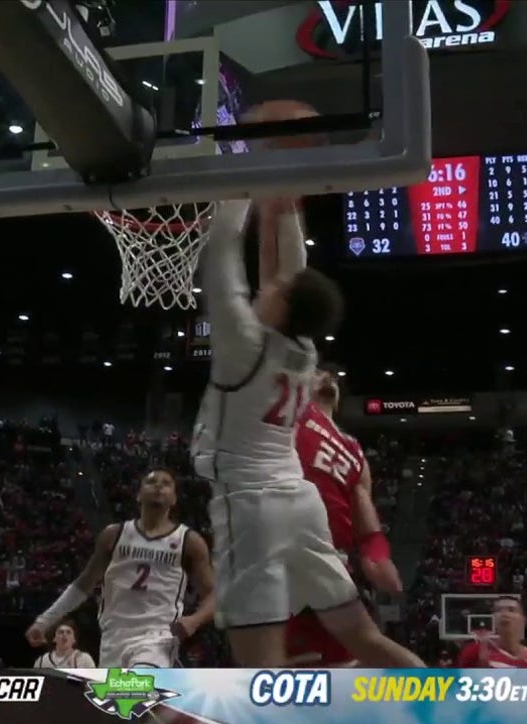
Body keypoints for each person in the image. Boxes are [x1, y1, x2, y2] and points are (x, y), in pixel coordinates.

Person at [189, 190, 422, 669]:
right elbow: (292, 275)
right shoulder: (304, 352)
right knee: (366, 639)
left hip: (251, 507)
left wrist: (235, 195)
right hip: (301, 506)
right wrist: (286, 204)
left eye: (272, 291)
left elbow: (220, 262)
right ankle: (443, 708)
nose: (265, 288)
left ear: (283, 305)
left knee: (260, 667)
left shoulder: (244, 346)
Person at [26, 469, 215, 668]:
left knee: (138, 688)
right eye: (151, 482)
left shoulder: (189, 541)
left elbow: (213, 594)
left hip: (158, 637)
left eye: (166, 483)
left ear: (174, 498)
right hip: (113, 636)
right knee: (117, 697)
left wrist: (195, 620)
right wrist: (44, 621)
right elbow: (83, 584)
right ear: (138, 494)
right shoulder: (113, 535)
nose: (159, 486)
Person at [286, 365, 402, 667]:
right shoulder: (289, 417)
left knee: (350, 663)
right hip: (283, 557)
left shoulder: (354, 451)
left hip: (329, 563)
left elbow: (368, 527)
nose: (329, 378)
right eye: (318, 372)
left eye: (334, 377)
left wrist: (378, 557)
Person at [457, 596, 527, 668]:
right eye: (498, 610)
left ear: (523, 620)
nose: (504, 614)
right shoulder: (475, 651)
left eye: (511, 610)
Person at [32, 619, 96, 669]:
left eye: (68, 632)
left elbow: (94, 683)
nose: (64, 634)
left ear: (74, 639)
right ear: (54, 638)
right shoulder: (42, 660)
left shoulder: (84, 659)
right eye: (61, 632)